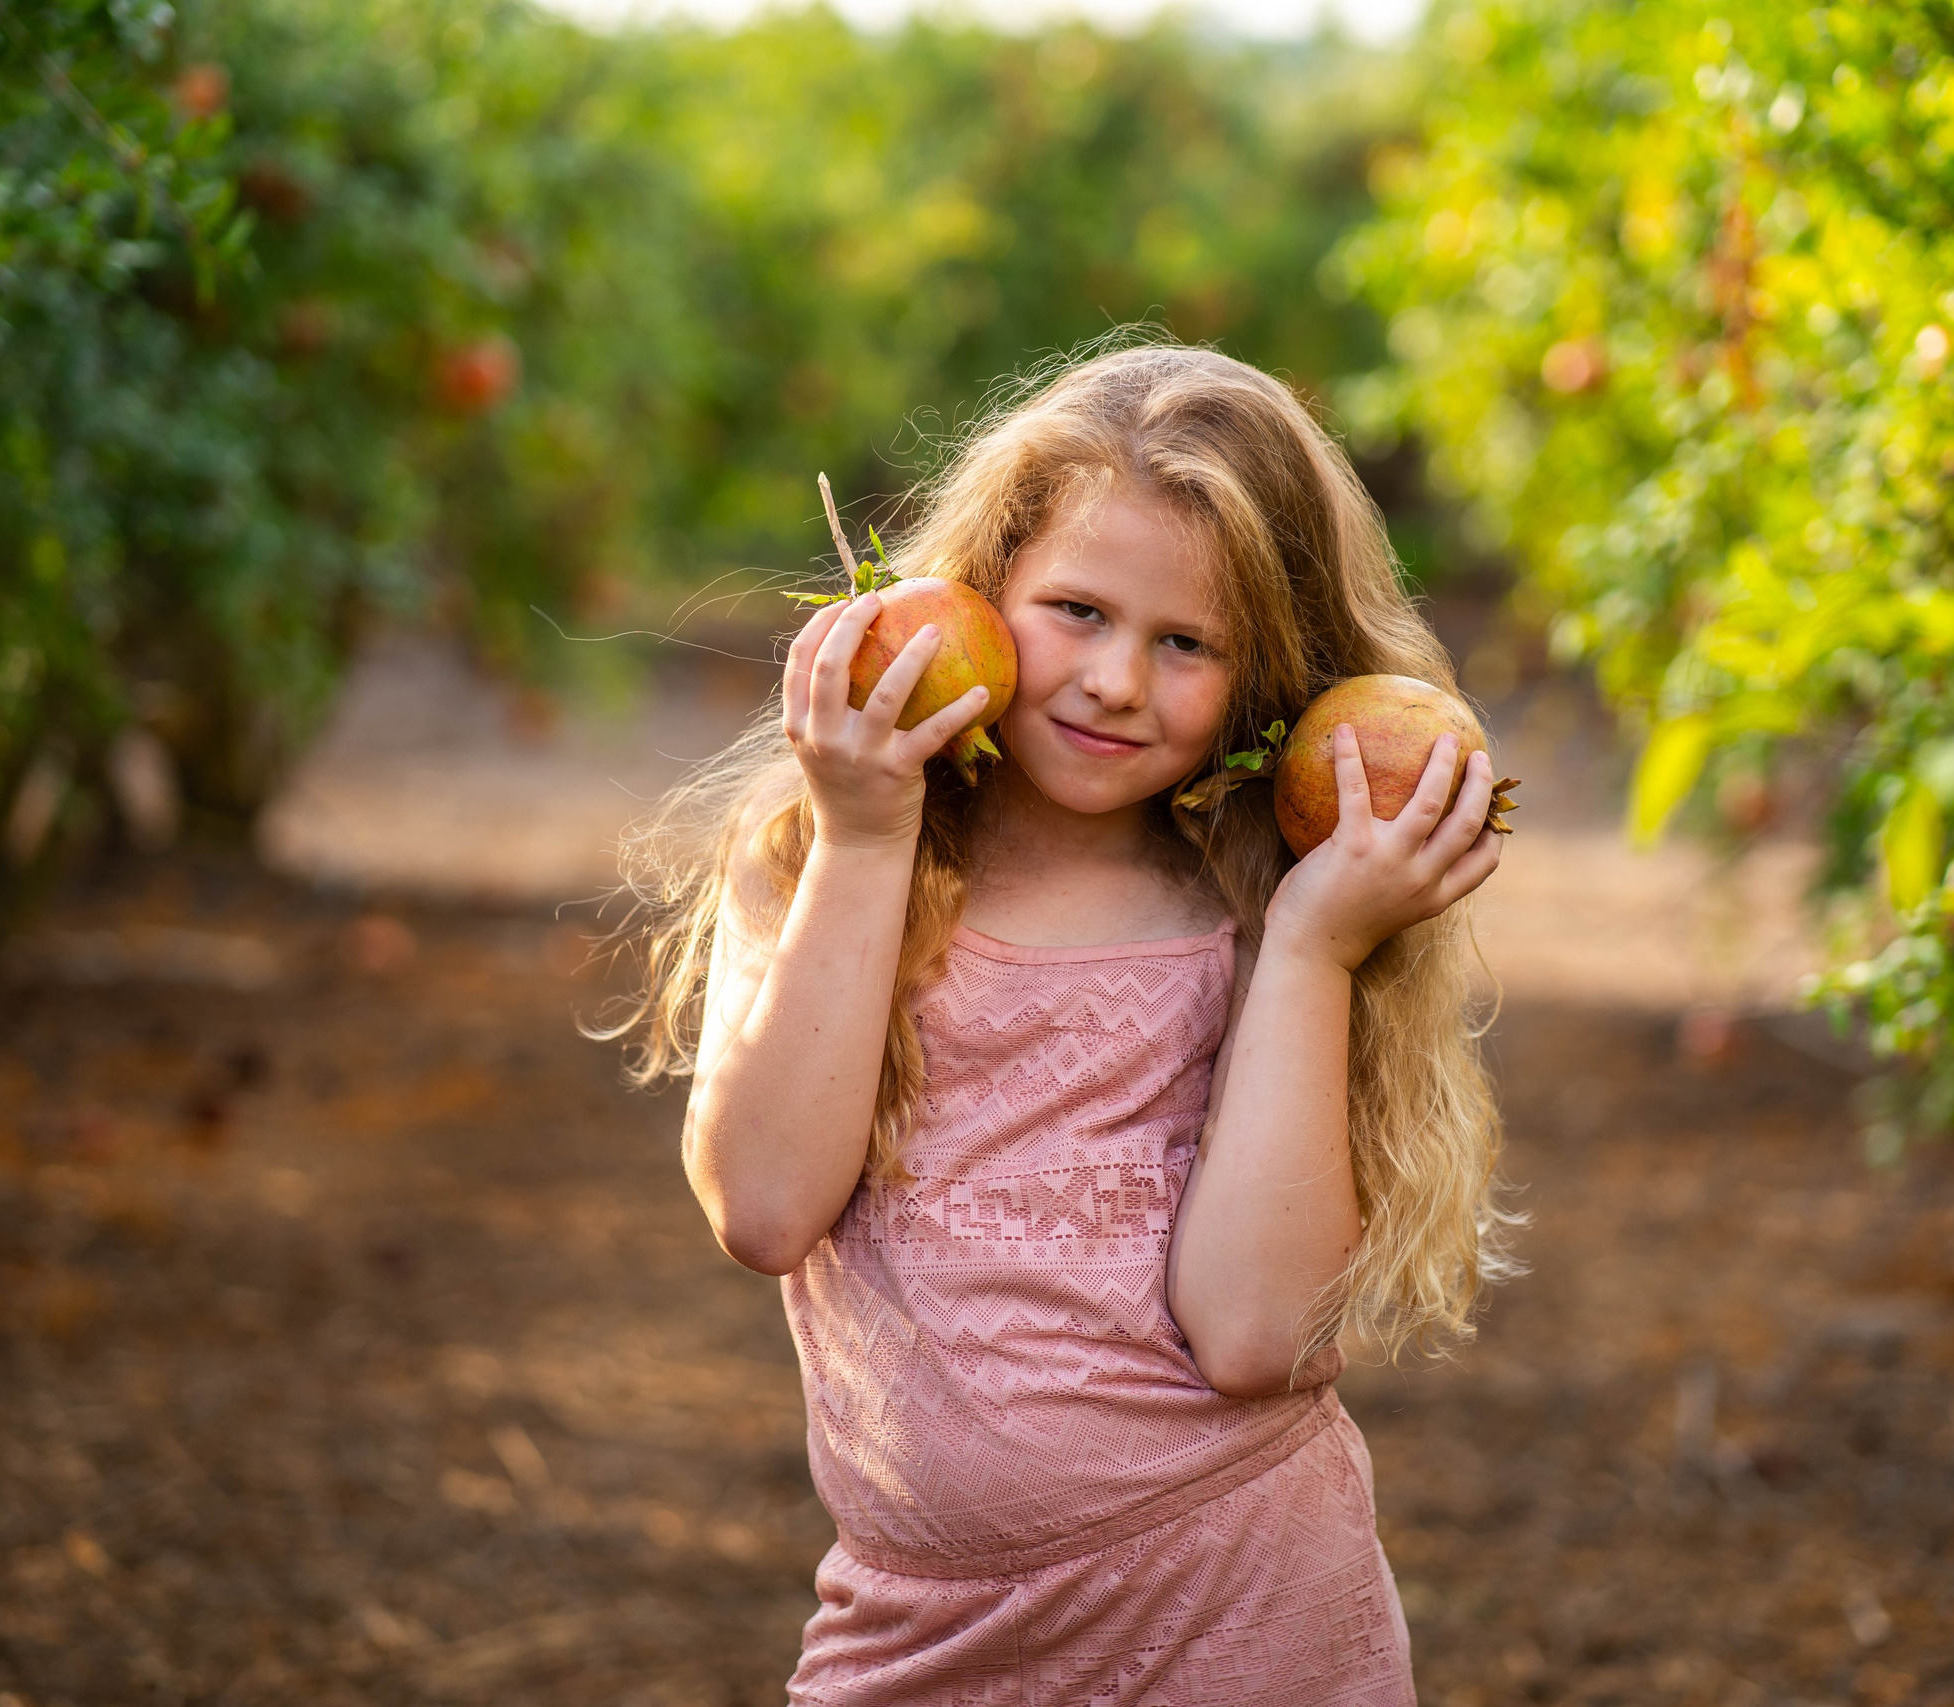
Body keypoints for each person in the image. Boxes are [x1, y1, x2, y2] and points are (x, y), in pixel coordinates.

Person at [603, 344, 1512, 1703]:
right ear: (979, 589)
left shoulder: (1265, 911)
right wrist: (866, 835)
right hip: (923, 1644)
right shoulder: (819, 857)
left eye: (1186, 643)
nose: (1114, 683)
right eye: (1075, 610)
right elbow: (765, 1207)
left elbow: (1252, 1332)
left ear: (1271, 675)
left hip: (1244, 1612)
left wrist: (1318, 945)